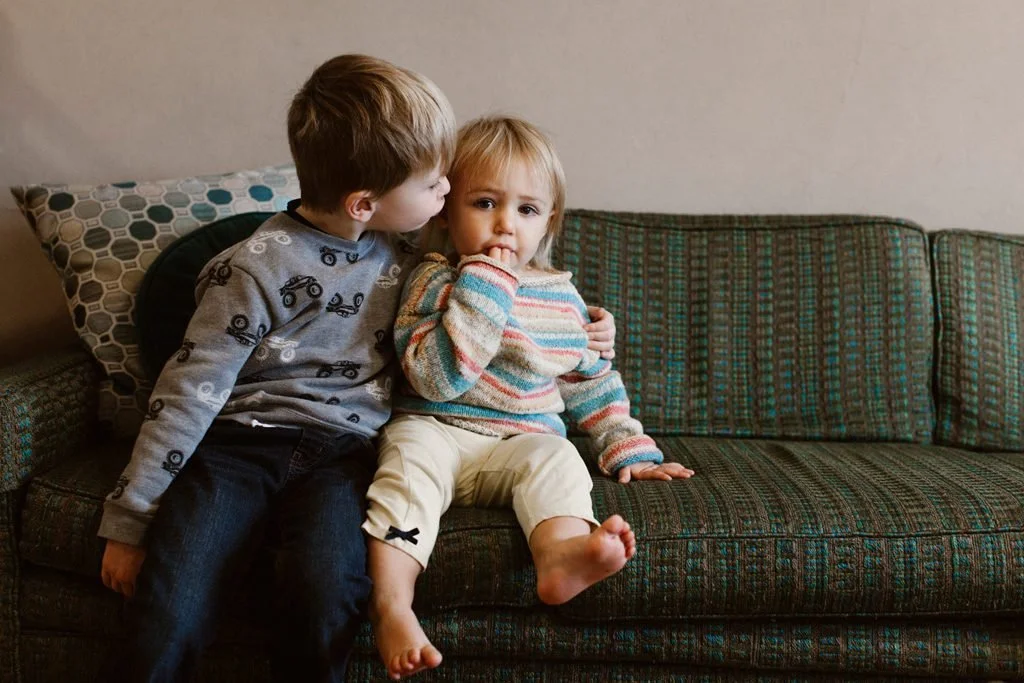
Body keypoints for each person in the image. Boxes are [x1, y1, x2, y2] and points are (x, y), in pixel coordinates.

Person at [97, 56, 615, 682]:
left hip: (342, 455)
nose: (447, 193)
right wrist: (130, 523)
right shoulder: (255, 267)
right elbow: (185, 393)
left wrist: (591, 329)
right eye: (433, 184)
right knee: (173, 599)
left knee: (328, 591)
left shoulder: (410, 258)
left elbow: (512, 312)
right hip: (237, 446)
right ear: (365, 202)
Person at [362, 116, 695, 680]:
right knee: (407, 470)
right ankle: (393, 606)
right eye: (485, 203)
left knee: (558, 459)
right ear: (446, 210)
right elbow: (437, 379)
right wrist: (486, 285)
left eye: (526, 210)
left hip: (519, 441)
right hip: (436, 427)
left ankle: (562, 557)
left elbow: (588, 379)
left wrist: (628, 448)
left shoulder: (560, 297)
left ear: (548, 222)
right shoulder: (433, 280)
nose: (504, 226)